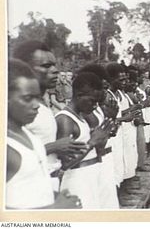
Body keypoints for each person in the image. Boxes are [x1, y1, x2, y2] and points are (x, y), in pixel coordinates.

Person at [6, 59, 81, 209]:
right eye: (27, 98)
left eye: (37, 98)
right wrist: (54, 209)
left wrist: (55, 197)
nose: (36, 106)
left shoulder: (29, 136)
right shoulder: (7, 147)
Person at [13, 40, 87, 191]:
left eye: (54, 65)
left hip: (49, 182)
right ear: (25, 69)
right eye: (46, 66)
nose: (55, 70)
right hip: (28, 186)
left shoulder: (43, 106)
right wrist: (54, 147)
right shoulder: (16, 108)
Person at [55, 72, 115, 209]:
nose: (95, 106)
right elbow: (65, 164)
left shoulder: (81, 117)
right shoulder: (65, 120)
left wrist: (102, 138)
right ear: (79, 95)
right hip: (77, 180)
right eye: (92, 101)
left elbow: (93, 149)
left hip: (92, 176)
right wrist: (92, 142)